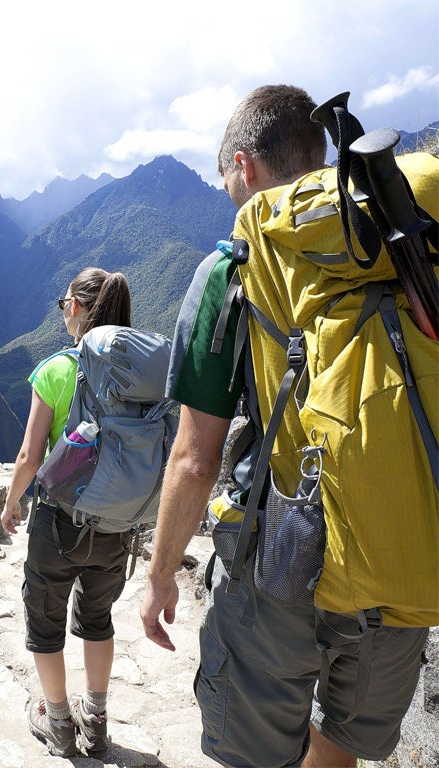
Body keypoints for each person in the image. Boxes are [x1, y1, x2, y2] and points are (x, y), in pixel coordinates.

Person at [139, 84, 431, 768]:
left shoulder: (230, 270)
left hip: (282, 563)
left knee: (255, 751)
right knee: (339, 747)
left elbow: (193, 458)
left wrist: (158, 578)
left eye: (226, 183)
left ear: (244, 167)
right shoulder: (403, 235)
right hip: (401, 546)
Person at [1, 267, 134, 758]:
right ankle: (96, 721)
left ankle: (57, 721)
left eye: (63, 304)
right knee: (98, 619)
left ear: (75, 308)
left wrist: (12, 502)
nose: (62, 311)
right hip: (119, 523)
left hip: (58, 523)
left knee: (45, 620)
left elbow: (29, 457)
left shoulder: (56, 369)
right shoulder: (137, 371)